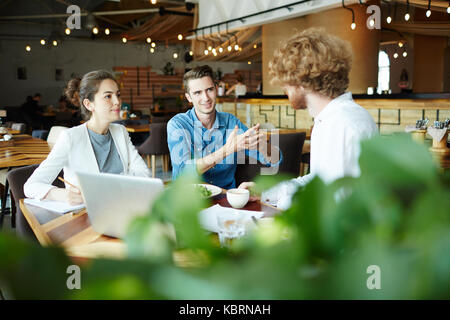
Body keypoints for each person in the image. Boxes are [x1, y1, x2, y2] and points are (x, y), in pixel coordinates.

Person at [239, 28, 378, 209]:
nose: (284, 90)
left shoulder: (344, 124)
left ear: (302, 82)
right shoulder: (327, 120)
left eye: (285, 83)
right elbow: (316, 182)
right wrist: (265, 192)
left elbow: (336, 203)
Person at [24, 70, 150, 204]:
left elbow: (144, 174)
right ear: (89, 104)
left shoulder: (120, 131)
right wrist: (61, 195)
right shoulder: (70, 137)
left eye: (118, 95)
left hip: (121, 207)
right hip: (86, 216)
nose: (117, 101)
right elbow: (31, 186)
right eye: (108, 96)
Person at [167, 65, 281, 189]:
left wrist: (262, 145)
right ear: (189, 97)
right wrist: (227, 150)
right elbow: (182, 173)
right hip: (189, 199)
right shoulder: (178, 125)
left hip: (225, 199)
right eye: (197, 93)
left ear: (216, 89)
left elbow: (274, 160)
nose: (205, 98)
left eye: (209, 90)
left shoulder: (231, 123)